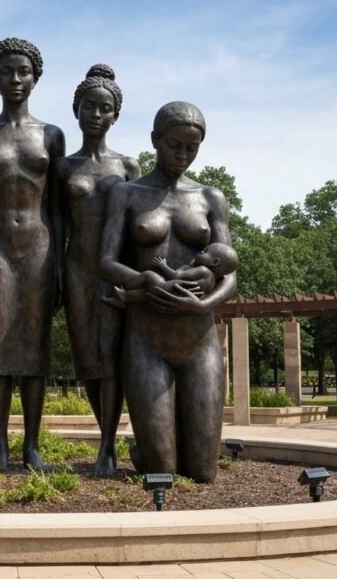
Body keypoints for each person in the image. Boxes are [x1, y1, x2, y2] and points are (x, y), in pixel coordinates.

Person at [100, 101, 238, 483]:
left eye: (191, 148)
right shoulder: (127, 194)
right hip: (147, 336)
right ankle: (146, 449)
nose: (182, 155)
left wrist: (203, 304)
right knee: (161, 471)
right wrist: (144, 280)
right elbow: (107, 262)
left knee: (203, 473)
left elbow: (230, 273)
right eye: (174, 145)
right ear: (154, 141)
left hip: (200, 338)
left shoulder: (211, 198)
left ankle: (165, 444)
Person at [0, 37, 65, 471]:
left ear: (36, 77)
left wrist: (60, 265)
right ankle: (0, 447)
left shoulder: (52, 135)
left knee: (35, 352)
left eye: (23, 71)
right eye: (7, 71)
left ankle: (31, 446)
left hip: (40, 249)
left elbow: (59, 208)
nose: (15, 79)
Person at [54, 64, 139, 476]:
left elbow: (140, 226)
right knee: (86, 357)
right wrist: (54, 273)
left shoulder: (128, 166)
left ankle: (107, 445)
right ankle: (104, 432)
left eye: (105, 108)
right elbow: (55, 225)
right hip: (76, 269)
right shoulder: (64, 167)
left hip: (114, 270)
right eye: (89, 106)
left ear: (115, 116)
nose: (96, 114)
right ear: (77, 109)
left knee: (111, 356)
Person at [104, 242, 238, 307]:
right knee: (147, 294)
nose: (200, 252)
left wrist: (163, 265)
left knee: (149, 276)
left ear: (215, 262)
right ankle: (125, 298)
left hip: (170, 289)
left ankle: (128, 287)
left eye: (205, 251)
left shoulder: (203, 270)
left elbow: (176, 276)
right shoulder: (211, 280)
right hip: (176, 295)